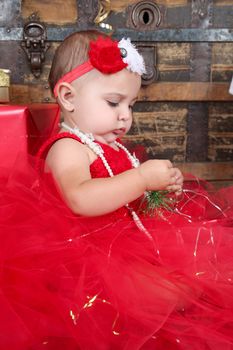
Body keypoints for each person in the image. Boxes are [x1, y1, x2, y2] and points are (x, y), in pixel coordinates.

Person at [0, 30, 233, 350]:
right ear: (68, 97)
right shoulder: (68, 148)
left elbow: (127, 201)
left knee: (201, 271)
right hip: (90, 261)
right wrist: (140, 180)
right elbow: (80, 198)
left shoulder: (114, 148)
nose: (125, 115)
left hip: (129, 246)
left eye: (131, 104)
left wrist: (158, 191)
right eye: (113, 102)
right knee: (173, 291)